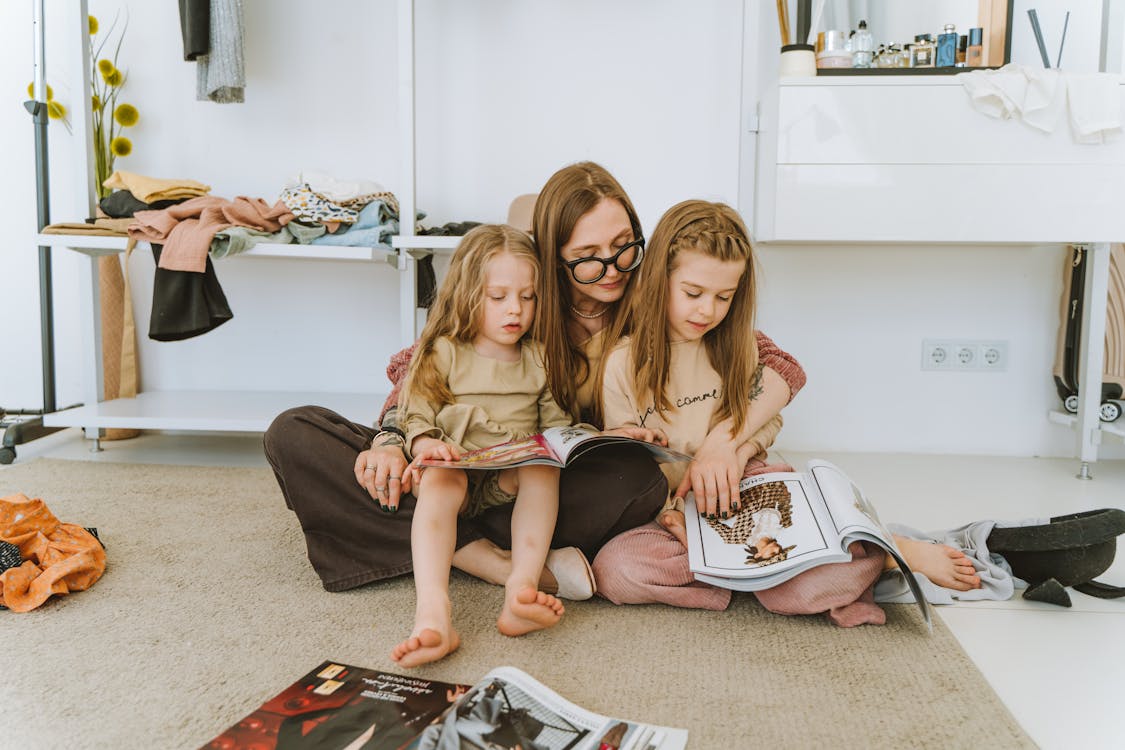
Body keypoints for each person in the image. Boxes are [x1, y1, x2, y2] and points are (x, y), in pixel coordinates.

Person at [263, 161, 807, 604]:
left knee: (632, 478)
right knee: (296, 434)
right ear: (552, 259)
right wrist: (390, 440)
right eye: (586, 259)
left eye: (624, 245)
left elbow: (775, 364)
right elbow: (418, 364)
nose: (613, 268)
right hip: (460, 467)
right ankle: (491, 560)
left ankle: (439, 540)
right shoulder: (522, 299)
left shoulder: (660, 290)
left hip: (549, 488)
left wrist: (724, 444)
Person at [593, 199, 981, 623]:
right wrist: (672, 516)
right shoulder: (622, 364)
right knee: (616, 572)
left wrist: (735, 451)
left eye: (724, 296)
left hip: (749, 493)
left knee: (799, 593)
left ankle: (886, 552)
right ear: (658, 280)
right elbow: (626, 466)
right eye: (692, 293)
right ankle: (754, 573)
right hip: (674, 517)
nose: (708, 310)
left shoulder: (735, 345)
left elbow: (769, 420)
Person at [389, 225, 571, 667]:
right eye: (499, 297)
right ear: (468, 294)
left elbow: (556, 425)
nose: (516, 310)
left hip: (505, 481)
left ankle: (520, 590)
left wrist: (572, 441)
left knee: (542, 466)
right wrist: (427, 442)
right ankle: (433, 612)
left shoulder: (538, 358)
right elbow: (416, 412)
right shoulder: (445, 351)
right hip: (454, 471)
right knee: (439, 481)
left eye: (528, 297)